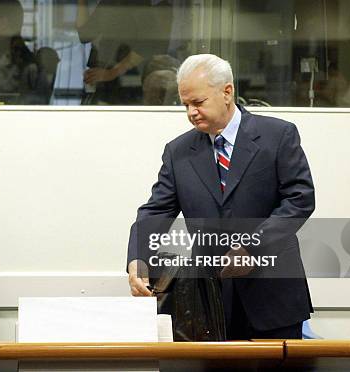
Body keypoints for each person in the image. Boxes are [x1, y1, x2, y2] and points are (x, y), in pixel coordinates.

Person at [127, 54, 315, 339]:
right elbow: (155, 211)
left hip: (274, 296)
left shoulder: (278, 136)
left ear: (227, 92)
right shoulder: (178, 152)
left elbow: (300, 199)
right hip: (209, 303)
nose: (191, 112)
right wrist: (138, 258)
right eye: (185, 105)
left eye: (198, 103)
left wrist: (252, 247)